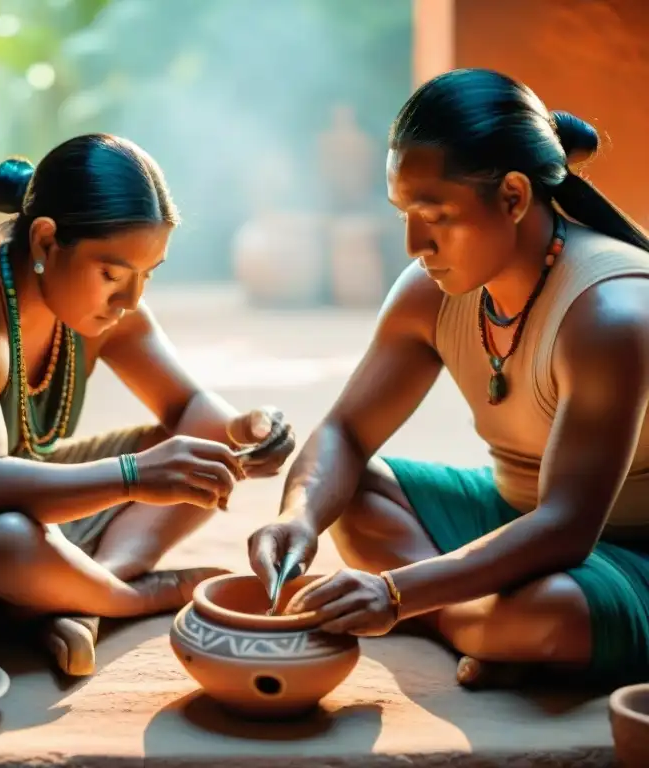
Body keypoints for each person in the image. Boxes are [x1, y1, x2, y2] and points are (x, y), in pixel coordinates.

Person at [0, 133, 296, 677]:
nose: (131, 300)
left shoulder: (105, 308)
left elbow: (188, 407)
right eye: (113, 274)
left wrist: (243, 430)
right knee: (11, 537)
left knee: (200, 455)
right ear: (45, 242)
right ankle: (127, 598)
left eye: (148, 275)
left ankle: (81, 592)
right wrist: (134, 476)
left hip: (18, 505)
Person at [248, 68, 649, 689]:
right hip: (511, 517)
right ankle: (483, 630)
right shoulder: (431, 293)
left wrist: (398, 592)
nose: (414, 243)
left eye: (434, 214)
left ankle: (480, 627)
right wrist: (298, 518)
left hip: (620, 554)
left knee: (552, 614)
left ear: (514, 198)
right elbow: (347, 434)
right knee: (351, 496)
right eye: (404, 212)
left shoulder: (610, 313)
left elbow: (568, 527)